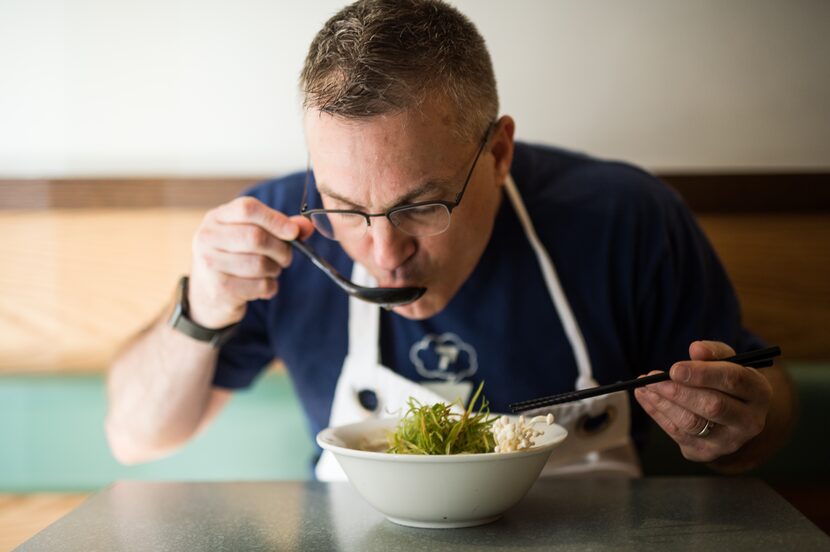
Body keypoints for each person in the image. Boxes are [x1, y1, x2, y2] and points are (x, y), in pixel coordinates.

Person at [106, 0, 793, 478]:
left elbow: (762, 421)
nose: (381, 255)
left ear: (498, 153)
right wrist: (201, 309)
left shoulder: (626, 217)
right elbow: (135, 438)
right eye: (346, 206)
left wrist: (739, 423)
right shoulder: (283, 229)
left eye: (422, 206)